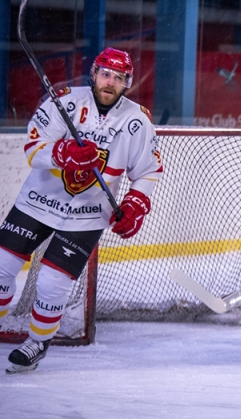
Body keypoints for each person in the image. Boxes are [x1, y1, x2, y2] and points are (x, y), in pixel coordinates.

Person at [0, 48, 163, 373]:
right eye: (106, 73)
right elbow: (33, 146)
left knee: (50, 283)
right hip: (37, 202)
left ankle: (37, 343)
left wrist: (136, 202)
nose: (110, 82)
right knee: (2, 267)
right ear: (94, 73)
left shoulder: (137, 120)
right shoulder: (65, 101)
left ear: (127, 82)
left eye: (119, 78)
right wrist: (61, 153)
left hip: (88, 214)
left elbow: (148, 171)